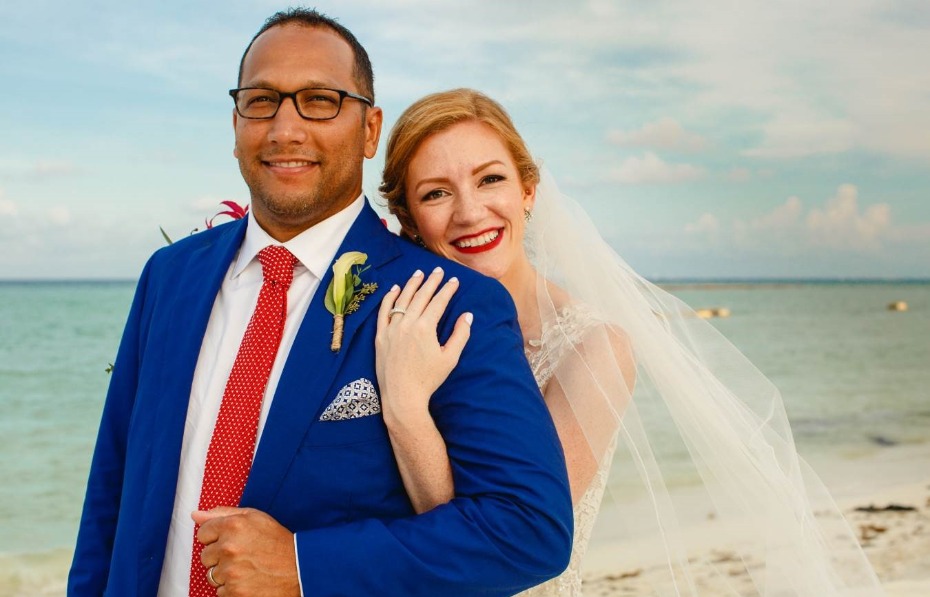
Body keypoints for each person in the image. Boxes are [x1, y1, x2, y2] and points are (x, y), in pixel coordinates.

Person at [68, 11, 572, 597]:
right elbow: (112, 487)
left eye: (319, 100)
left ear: (369, 129)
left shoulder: (453, 301)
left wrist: (304, 566)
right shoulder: (168, 276)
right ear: (236, 122)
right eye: (262, 101)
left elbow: (528, 529)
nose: (285, 128)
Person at [375, 89, 886, 596]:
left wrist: (405, 408)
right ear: (408, 222)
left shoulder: (592, 349)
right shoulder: (400, 331)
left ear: (528, 192)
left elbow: (494, 548)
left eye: (491, 179)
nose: (469, 211)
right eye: (436, 193)